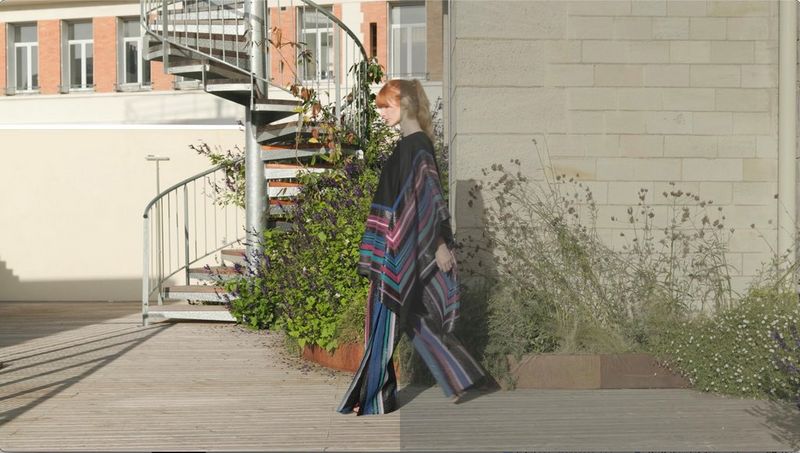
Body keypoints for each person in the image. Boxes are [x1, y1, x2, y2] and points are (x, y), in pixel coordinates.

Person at [337, 79, 485, 416]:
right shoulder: (408, 145)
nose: (382, 113)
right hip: (394, 246)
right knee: (411, 317)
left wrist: (439, 245)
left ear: (404, 104)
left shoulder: (417, 146)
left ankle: (375, 397)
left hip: (400, 250)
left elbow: (428, 197)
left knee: (383, 321)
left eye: (386, 106)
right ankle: (458, 379)